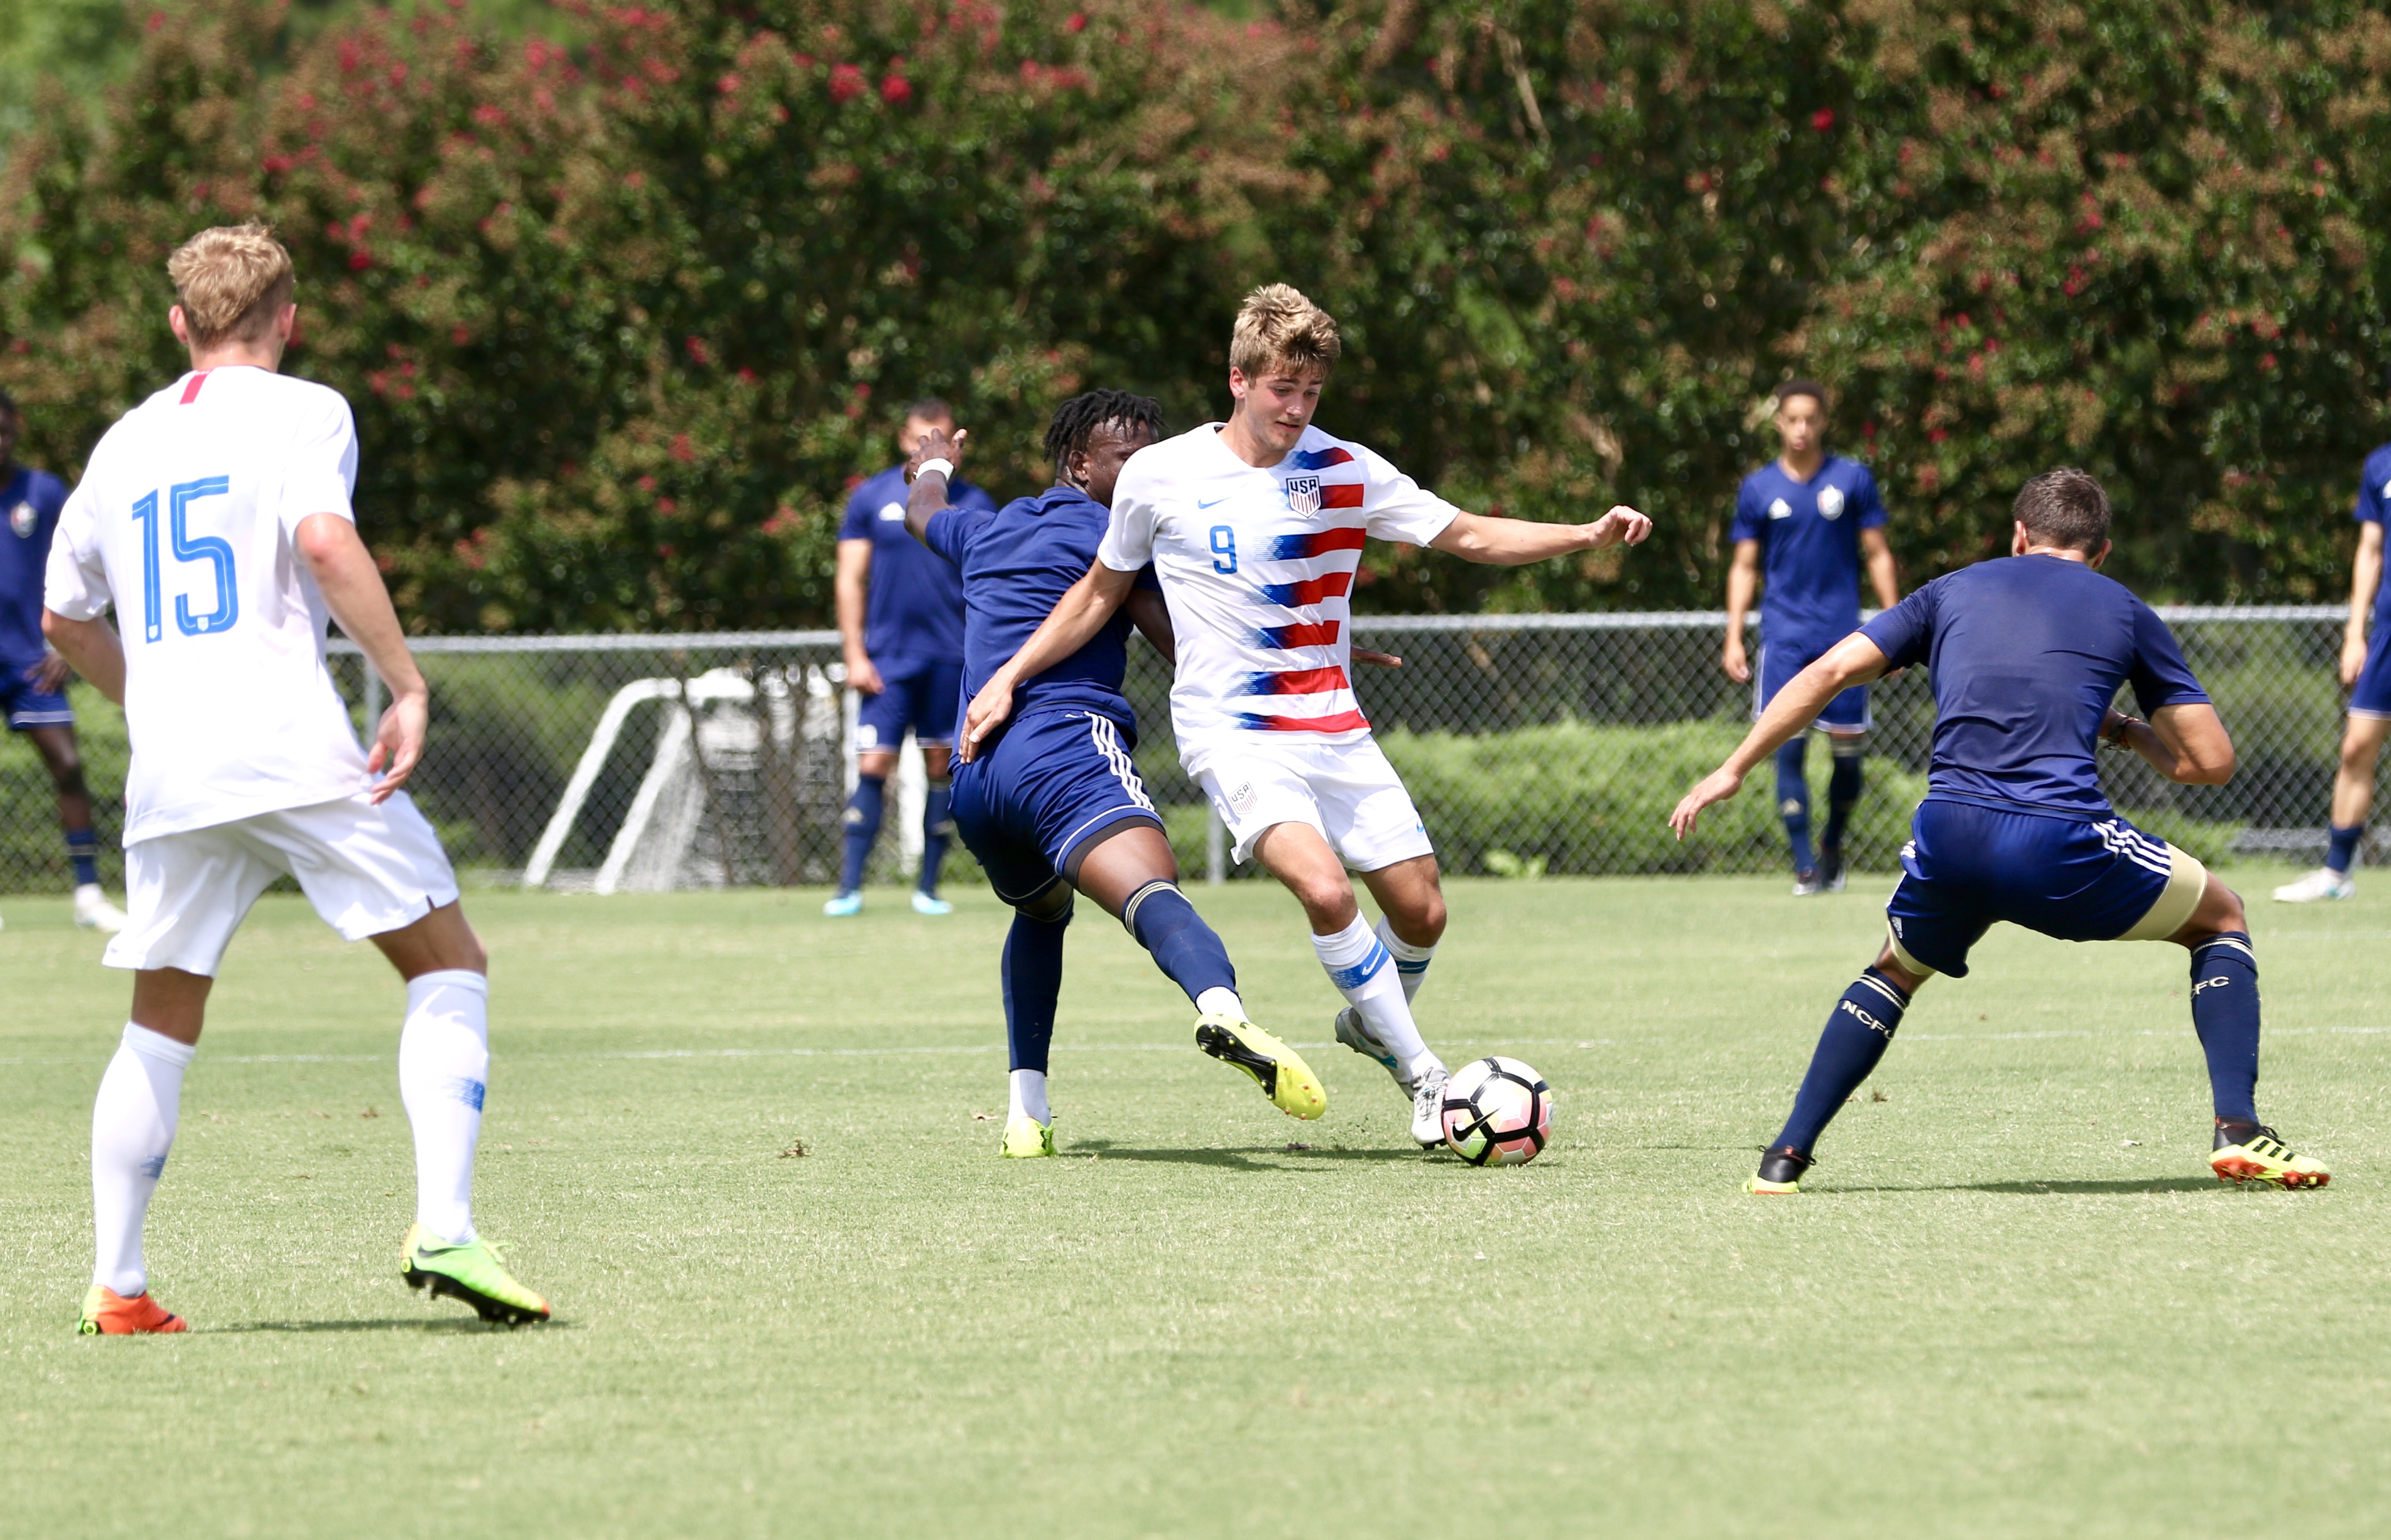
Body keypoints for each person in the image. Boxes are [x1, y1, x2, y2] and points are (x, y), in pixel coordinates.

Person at [959, 285, 1652, 1148]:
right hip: (1233, 732)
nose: (1294, 408)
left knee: (1422, 912)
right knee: (1322, 887)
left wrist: (1582, 535)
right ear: (1238, 379)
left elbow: (1466, 535)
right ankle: (1423, 1077)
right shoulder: (1159, 474)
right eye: (1280, 388)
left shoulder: (1345, 470)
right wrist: (1008, 676)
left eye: (1310, 392)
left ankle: (1371, 1021)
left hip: (1332, 726)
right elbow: (1099, 594)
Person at [41, 223, 549, 1333]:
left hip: (174, 769)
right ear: (290, 319)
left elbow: (61, 616)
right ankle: (446, 1225)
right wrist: (405, 683)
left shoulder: (121, 444)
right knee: (446, 960)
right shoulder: (307, 408)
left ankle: (118, 1287)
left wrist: (150, 703)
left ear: (180, 325)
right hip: (287, 740)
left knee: (160, 1019)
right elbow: (324, 542)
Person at [1671, 468, 2330, 1194]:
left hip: (1949, 836)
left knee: (1895, 968)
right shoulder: (2125, 610)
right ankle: (2238, 1128)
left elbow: (1829, 671)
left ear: (2019, 536)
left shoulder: (1951, 589)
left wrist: (1735, 766)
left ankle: (1784, 1157)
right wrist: (2124, 730)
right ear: (2101, 552)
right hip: (2060, 842)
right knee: (2223, 918)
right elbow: (2209, 764)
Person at [905, 391, 1329, 1156]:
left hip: (974, 774)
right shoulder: (1119, 534)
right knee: (1152, 891)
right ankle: (1223, 1007)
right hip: (1060, 745)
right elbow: (1186, 644)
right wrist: (1305, 664)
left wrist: (935, 459)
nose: (1147, 471)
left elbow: (923, 509)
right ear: (1080, 464)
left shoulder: (989, 528)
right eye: (1129, 459)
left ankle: (1026, 1114)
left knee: (1039, 914)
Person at [1721, 380, 1899, 895]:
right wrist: (1733, 635)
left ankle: (1832, 848)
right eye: (1792, 419)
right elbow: (1744, 565)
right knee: (1788, 747)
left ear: (1823, 423)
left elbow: (1878, 553)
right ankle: (1804, 866)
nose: (1801, 429)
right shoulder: (1758, 488)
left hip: (1843, 637)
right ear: (1778, 421)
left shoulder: (1851, 479)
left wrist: (1896, 624)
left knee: (1848, 755)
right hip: (1784, 636)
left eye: (1810, 419)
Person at [827, 400, 993, 917]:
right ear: (905, 440)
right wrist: (854, 652)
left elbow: (988, 583)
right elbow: (849, 577)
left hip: (950, 657)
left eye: (940, 438)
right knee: (874, 762)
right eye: (923, 438)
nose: (930, 447)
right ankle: (849, 888)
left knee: (941, 764)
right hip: (887, 659)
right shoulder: (871, 496)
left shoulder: (975, 502)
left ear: (956, 444)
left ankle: (928, 887)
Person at [0, 388, 128, 932]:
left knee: (69, 767)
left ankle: (89, 895)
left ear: (17, 428)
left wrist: (62, 645)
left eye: (4, 430)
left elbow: (80, 564)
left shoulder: (44, 492)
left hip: (31, 658)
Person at [2274, 415, 2391, 902]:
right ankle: (2336, 874)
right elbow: (2369, 550)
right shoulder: (2380, 465)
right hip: (2386, 635)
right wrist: (2354, 632)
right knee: (2356, 748)